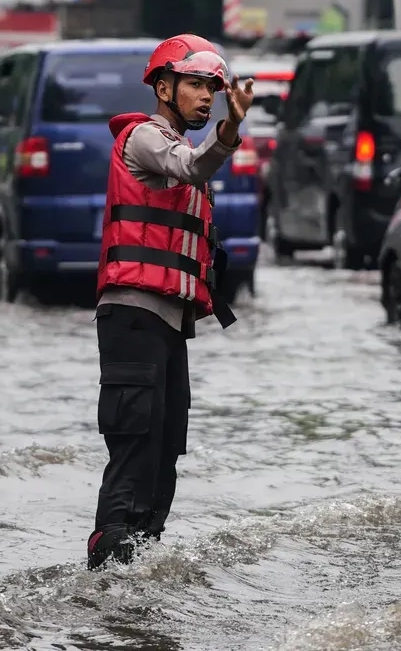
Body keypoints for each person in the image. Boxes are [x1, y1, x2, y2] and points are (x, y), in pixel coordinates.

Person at [87, 34, 254, 569]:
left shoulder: (180, 147)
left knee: (164, 454)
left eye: (213, 88)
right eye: (195, 86)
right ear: (164, 87)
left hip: (169, 322)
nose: (207, 96)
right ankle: (105, 575)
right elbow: (193, 166)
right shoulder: (144, 138)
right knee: (134, 451)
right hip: (132, 315)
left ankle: (141, 587)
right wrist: (231, 128)